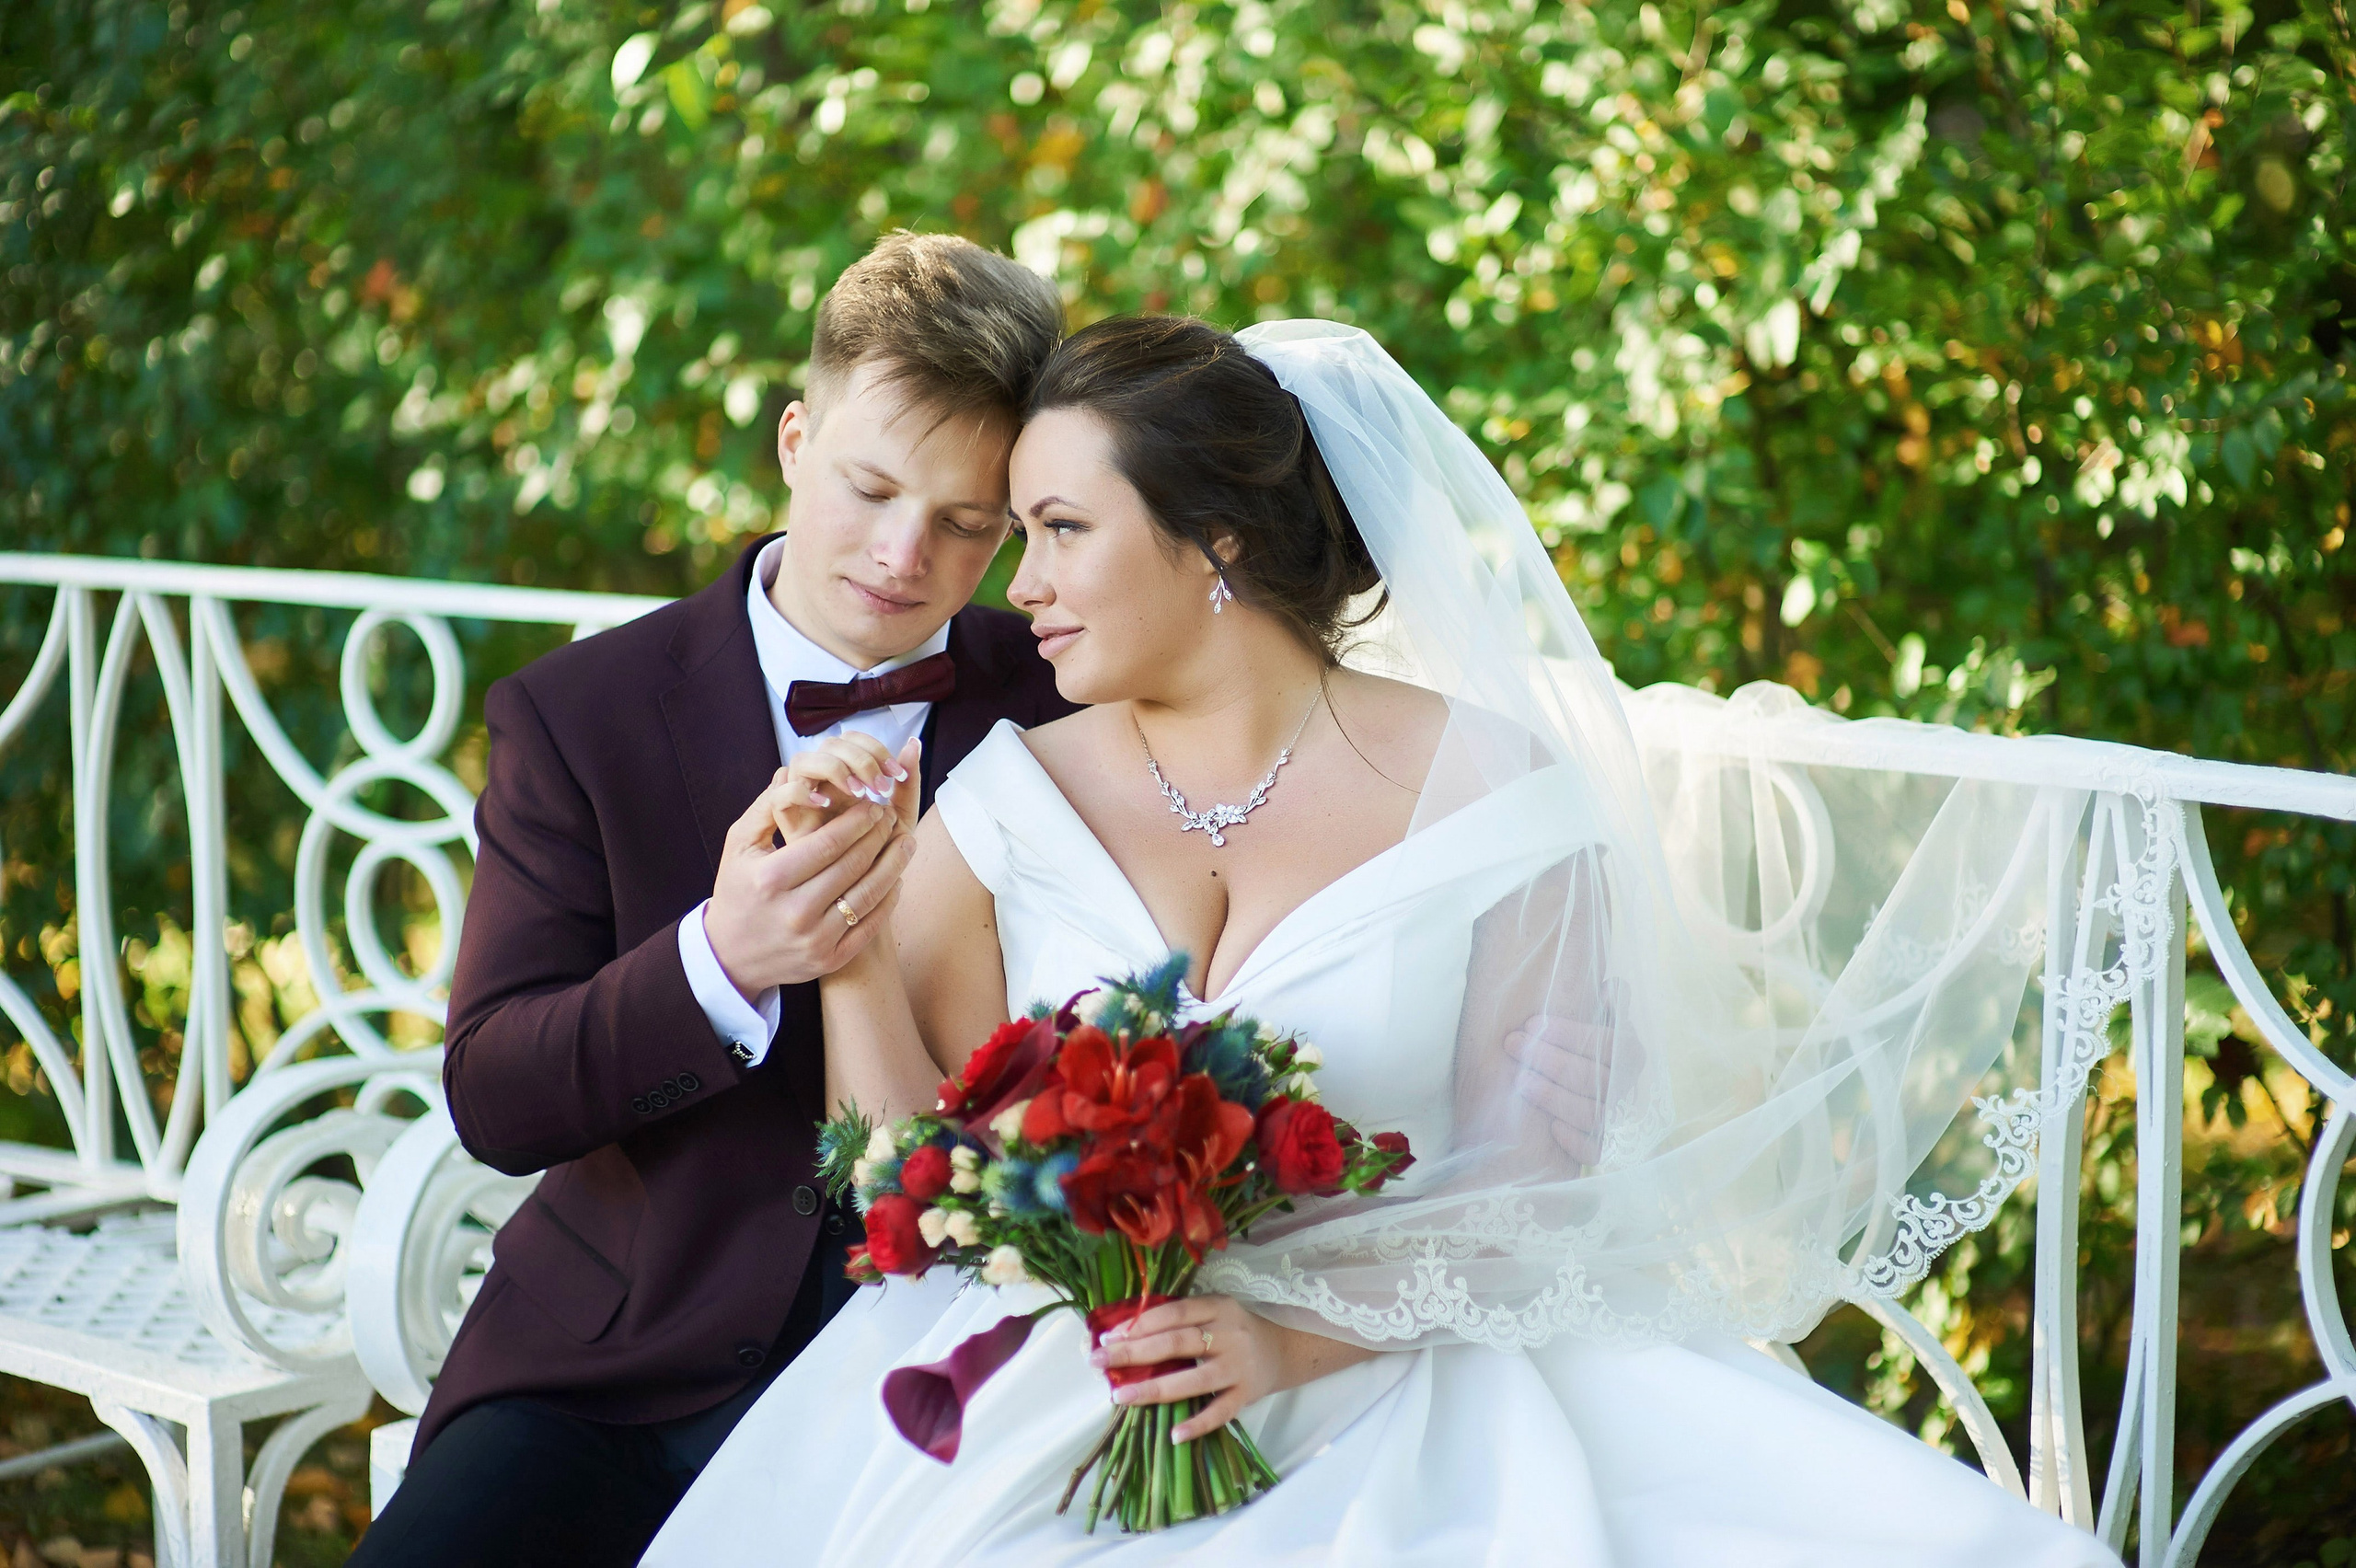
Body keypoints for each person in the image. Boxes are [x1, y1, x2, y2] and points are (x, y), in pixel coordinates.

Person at [641, 316, 2121, 1565]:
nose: (1016, 582)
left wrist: (1296, 1339)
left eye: (1061, 530)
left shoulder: (1498, 794)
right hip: (1062, 1380)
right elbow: (905, 1186)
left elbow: (1546, 1189)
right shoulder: (1007, 797)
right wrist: (846, 943)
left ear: (1215, 541)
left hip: (1414, 1373)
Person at [350, 232, 1074, 1568]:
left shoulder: (1065, 694)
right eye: (869, 488)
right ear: (795, 440)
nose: (904, 554)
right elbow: (496, 1097)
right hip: (610, 1371)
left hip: (946, 1367)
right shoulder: (579, 715)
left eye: (968, 522)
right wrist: (721, 958)